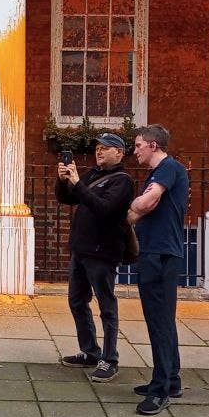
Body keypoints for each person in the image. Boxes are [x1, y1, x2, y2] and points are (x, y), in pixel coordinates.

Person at [56, 133, 134, 383]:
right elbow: (67, 198)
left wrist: (78, 183)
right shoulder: (91, 175)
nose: (99, 152)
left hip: (102, 252)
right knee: (77, 301)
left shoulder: (123, 181)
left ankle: (109, 359)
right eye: (98, 148)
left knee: (107, 307)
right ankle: (90, 352)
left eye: (106, 148)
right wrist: (64, 181)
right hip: (81, 249)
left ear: (119, 153)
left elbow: (105, 209)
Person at [127, 124, 190, 416]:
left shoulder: (167, 168)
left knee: (159, 322)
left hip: (160, 254)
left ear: (153, 145)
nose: (135, 150)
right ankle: (172, 380)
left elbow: (147, 202)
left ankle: (160, 389)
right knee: (163, 319)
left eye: (138, 144)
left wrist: (135, 207)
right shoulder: (162, 171)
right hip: (160, 252)